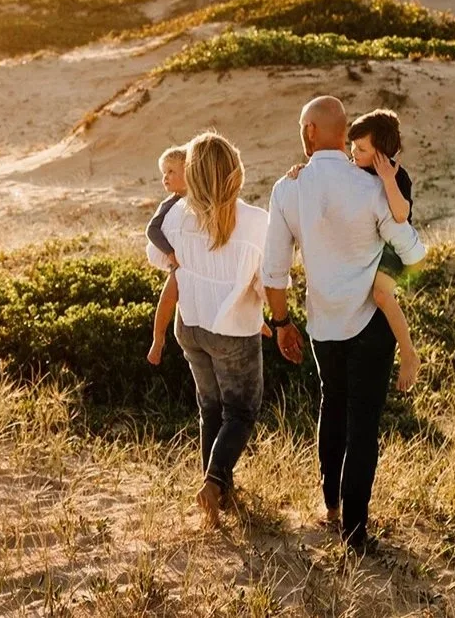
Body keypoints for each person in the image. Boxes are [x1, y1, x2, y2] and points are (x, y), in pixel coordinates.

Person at [263, 96, 427, 556]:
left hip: (323, 322)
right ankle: (355, 533)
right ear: (342, 135)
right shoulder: (370, 187)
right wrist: (389, 277)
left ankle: (330, 509)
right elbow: (413, 252)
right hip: (371, 324)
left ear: (311, 131)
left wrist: (281, 324)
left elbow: (274, 270)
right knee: (363, 425)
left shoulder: (287, 189)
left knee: (331, 408)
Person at [146, 131, 269, 528]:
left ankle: (219, 489)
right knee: (241, 411)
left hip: (190, 326)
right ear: (235, 171)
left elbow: (157, 256)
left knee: (210, 408)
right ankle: (214, 484)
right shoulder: (254, 220)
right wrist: (271, 316)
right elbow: (263, 281)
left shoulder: (178, 213)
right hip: (232, 331)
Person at [285, 109, 422, 399]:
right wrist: (301, 171)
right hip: (370, 243)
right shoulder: (354, 167)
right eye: (352, 147)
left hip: (393, 249)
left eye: (361, 149)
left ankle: (408, 353)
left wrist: (387, 179)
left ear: (382, 154)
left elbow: (401, 215)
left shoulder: (398, 175)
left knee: (382, 296)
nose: (353, 154)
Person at [145, 145, 188, 365]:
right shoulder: (169, 203)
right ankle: (158, 338)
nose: (165, 177)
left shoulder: (201, 198)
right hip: (177, 261)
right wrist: (169, 252)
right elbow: (151, 230)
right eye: (164, 173)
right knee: (172, 289)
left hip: (196, 259)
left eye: (171, 171)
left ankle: (257, 321)